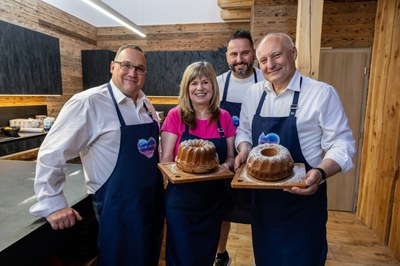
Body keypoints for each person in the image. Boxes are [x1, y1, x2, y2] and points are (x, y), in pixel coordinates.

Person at [29, 44, 165, 266]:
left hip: (151, 207)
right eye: (126, 65)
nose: (132, 73)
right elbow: (52, 152)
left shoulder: (146, 105)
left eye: (139, 68)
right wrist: (53, 201)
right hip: (117, 210)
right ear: (112, 67)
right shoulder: (88, 103)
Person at [234, 33, 356, 265]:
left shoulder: (321, 94)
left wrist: (319, 173)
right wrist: (244, 148)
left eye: (276, 55)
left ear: (293, 53)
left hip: (304, 202)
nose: (270, 65)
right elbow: (244, 131)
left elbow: (343, 144)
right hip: (263, 204)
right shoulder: (253, 94)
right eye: (263, 60)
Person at [160, 61, 236, 266]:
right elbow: (166, 160)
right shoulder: (176, 116)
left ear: (213, 86)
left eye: (205, 82)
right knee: (182, 257)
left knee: (206, 256)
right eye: (194, 83)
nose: (200, 88)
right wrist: (183, 170)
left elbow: (230, 157)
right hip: (182, 204)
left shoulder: (224, 118)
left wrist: (226, 167)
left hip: (213, 203)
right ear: (187, 87)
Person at [215, 29, 264, 266]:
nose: (239, 59)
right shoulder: (218, 84)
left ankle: (260, 257)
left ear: (253, 53)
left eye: (244, 53)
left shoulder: (266, 81)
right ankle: (221, 254)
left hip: (258, 161)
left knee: (260, 213)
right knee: (223, 212)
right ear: (227, 56)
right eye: (234, 54)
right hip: (225, 159)